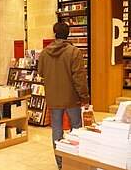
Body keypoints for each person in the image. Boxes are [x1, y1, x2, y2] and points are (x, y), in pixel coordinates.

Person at [38, 22, 90, 170]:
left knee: (57, 131)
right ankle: (75, 161)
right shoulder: (74, 52)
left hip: (54, 98)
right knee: (76, 129)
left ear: (54, 34)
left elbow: (41, 72)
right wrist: (85, 98)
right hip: (71, 98)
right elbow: (79, 78)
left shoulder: (45, 52)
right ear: (68, 34)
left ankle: (61, 164)